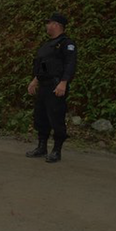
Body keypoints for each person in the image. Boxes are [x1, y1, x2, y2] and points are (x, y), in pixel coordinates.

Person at [26, 12, 77, 163]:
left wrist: (63, 82)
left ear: (56, 25)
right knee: (41, 117)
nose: (47, 26)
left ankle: (56, 150)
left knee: (56, 118)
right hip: (44, 86)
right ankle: (42, 147)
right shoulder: (47, 46)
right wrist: (35, 81)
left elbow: (70, 64)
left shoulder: (67, 44)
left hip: (56, 86)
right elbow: (42, 67)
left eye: (49, 23)